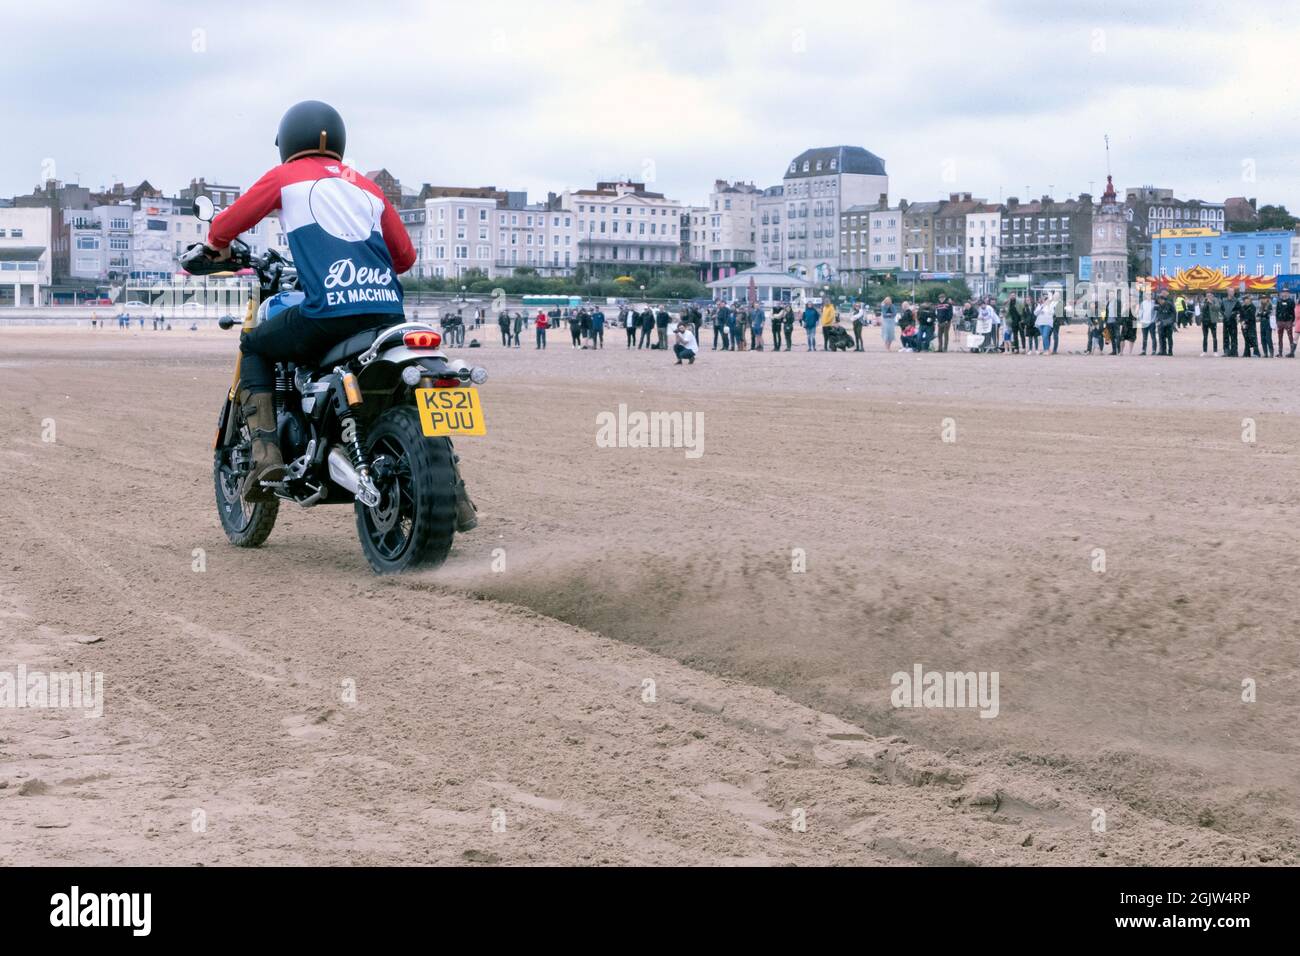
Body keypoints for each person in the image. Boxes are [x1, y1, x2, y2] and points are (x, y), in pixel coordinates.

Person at [199, 100, 418, 506]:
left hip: (330, 313)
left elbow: (226, 224)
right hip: (390, 316)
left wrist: (215, 247)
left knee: (255, 344)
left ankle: (266, 456)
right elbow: (405, 258)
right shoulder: (366, 186)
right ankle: (452, 496)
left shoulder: (286, 176)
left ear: (289, 141)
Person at [1277, 289, 1296, 358]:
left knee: (1290, 337)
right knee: (1280, 337)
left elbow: (1294, 312)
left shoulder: (1291, 301)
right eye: (1283, 292)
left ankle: (1292, 352)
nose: (1284, 294)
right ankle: (1280, 352)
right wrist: (1277, 320)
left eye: (1286, 292)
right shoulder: (1279, 301)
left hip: (1288, 321)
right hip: (1280, 321)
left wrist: (1293, 320)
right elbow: (1277, 311)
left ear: (1288, 293)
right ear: (1281, 293)